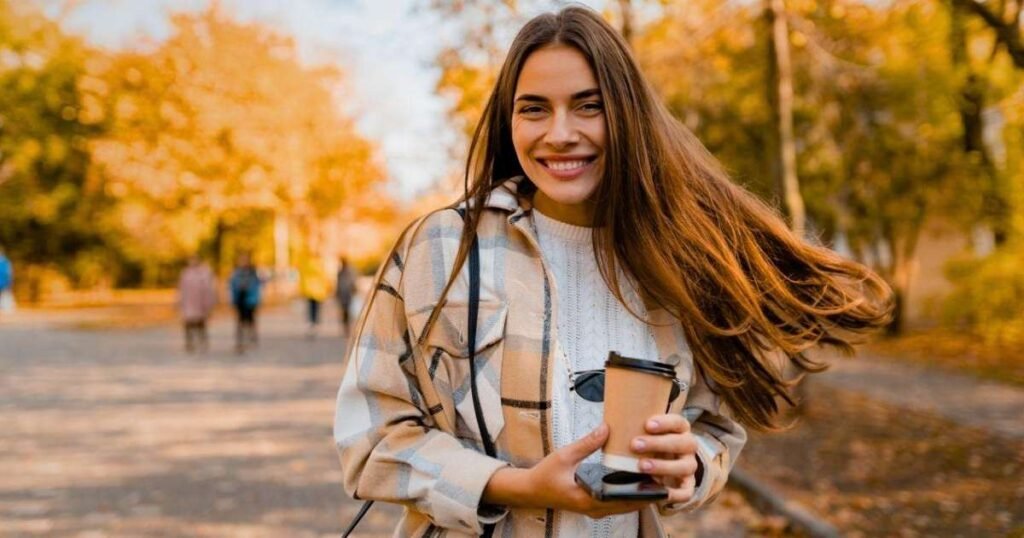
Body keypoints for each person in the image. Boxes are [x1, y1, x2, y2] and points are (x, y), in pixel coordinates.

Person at [334, 7, 892, 538]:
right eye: (534, 108)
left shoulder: (680, 256)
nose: (559, 133)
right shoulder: (441, 248)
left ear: (626, 114)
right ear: (509, 122)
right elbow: (373, 439)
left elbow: (716, 428)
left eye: (588, 105)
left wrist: (688, 464)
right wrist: (520, 486)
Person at [177, 255, 217, 353]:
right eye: (191, 260)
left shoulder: (204, 273)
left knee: (200, 323)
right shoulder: (185, 273)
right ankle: (189, 342)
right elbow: (181, 289)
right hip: (188, 302)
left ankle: (202, 341)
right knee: (188, 323)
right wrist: (179, 301)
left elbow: (209, 290)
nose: (192, 262)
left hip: (200, 303)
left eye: (194, 260)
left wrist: (209, 303)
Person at [229, 253, 261, 354]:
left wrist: (256, 300)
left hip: (250, 300)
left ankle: (251, 337)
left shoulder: (253, 273)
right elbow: (232, 287)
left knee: (250, 320)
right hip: (239, 300)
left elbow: (257, 288)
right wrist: (233, 300)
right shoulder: (236, 274)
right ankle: (240, 340)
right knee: (240, 321)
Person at [298, 252, 330, 339]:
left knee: (311, 310)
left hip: (309, 291)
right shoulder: (320, 264)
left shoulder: (306, 264)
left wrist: (302, 289)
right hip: (319, 292)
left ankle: (311, 325)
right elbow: (325, 278)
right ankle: (315, 325)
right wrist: (326, 289)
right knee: (316, 310)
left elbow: (302, 278)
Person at [334, 257, 357, 338]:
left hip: (348, 295)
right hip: (342, 295)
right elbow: (338, 284)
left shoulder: (350, 271)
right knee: (344, 313)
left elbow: (353, 282)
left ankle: (348, 328)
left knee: (348, 312)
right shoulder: (340, 272)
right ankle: (346, 328)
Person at [0, 247, 13, 316]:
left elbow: (9, 272)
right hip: (3, 280)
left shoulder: (6, 262)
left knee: (5, 295)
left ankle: (6, 308)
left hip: (4, 281)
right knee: (5, 295)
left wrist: (9, 281)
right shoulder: (6, 262)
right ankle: (6, 308)